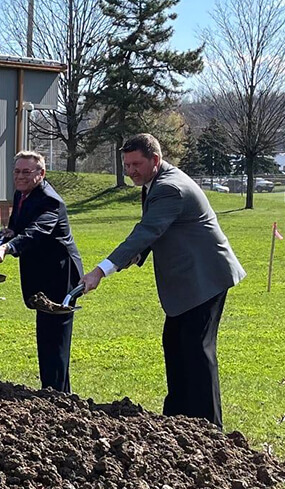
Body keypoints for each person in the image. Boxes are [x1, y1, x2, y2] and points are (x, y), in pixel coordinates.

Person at [79, 133, 246, 427]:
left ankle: (209, 428)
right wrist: (137, 256)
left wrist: (100, 271)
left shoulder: (170, 188)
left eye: (136, 164)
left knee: (197, 350)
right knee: (175, 344)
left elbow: (147, 231)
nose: (130, 171)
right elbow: (158, 228)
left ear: (155, 160)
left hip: (205, 277)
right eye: (127, 165)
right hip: (189, 280)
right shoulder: (155, 182)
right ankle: (177, 422)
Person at [0, 151, 83, 392]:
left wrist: (9, 247)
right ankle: (51, 391)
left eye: (26, 172)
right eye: (17, 171)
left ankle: (58, 396)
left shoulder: (51, 201)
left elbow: (37, 232)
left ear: (41, 174)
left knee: (55, 340)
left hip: (60, 278)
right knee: (45, 336)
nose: (20, 176)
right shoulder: (22, 194)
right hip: (41, 274)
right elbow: (19, 227)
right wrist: (7, 234)